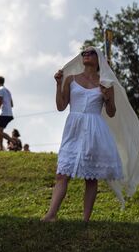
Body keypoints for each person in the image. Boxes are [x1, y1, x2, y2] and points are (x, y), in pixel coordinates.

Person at [42, 47, 129, 223]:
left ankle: (85, 220)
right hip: (73, 128)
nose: (85, 55)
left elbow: (111, 112)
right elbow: (60, 106)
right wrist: (58, 84)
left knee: (91, 177)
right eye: (84, 53)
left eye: (90, 53)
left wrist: (107, 98)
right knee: (62, 173)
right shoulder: (71, 79)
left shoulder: (105, 83)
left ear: (99, 59)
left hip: (95, 129)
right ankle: (51, 215)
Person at [0, 76, 15, 151]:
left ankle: (12, 141)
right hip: (9, 114)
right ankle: (0, 148)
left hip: (3, 113)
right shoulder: (8, 91)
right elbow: (12, 104)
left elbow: (0, 102)